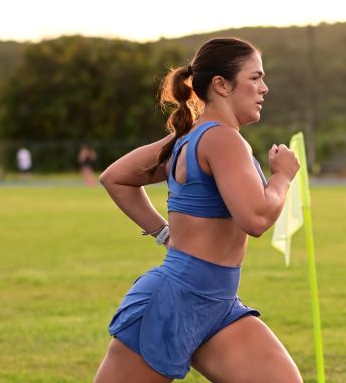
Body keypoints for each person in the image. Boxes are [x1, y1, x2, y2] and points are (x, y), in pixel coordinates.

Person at [95, 38, 303, 383]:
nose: (264, 88)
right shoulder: (222, 139)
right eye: (255, 78)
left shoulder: (189, 136)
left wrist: (165, 233)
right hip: (173, 301)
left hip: (218, 305)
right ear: (221, 85)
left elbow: (116, 177)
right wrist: (282, 176)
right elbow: (255, 218)